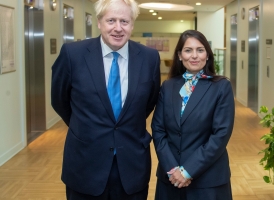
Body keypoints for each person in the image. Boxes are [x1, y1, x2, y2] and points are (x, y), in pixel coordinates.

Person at [51, 0, 161, 199]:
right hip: (85, 162)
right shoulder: (73, 54)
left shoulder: (149, 57)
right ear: (99, 22)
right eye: (111, 20)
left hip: (131, 165)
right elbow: (59, 100)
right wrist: (85, 125)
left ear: (132, 24)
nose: (118, 28)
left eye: (124, 21)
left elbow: (148, 102)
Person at [151, 30, 235, 200]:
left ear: (208, 55)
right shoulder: (168, 86)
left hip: (207, 180)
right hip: (171, 179)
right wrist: (173, 169)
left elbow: (220, 135)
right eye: (188, 50)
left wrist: (188, 170)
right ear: (180, 55)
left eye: (200, 50)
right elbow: (158, 130)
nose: (194, 56)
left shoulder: (221, 87)